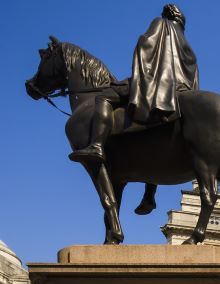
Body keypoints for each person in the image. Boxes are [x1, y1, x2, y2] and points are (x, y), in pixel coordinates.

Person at [69, 4, 198, 214]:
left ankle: (97, 145)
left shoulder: (161, 24)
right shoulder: (185, 41)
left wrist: (142, 46)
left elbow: (145, 43)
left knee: (103, 96)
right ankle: (150, 195)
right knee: (156, 139)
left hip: (155, 83)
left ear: (167, 15)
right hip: (179, 90)